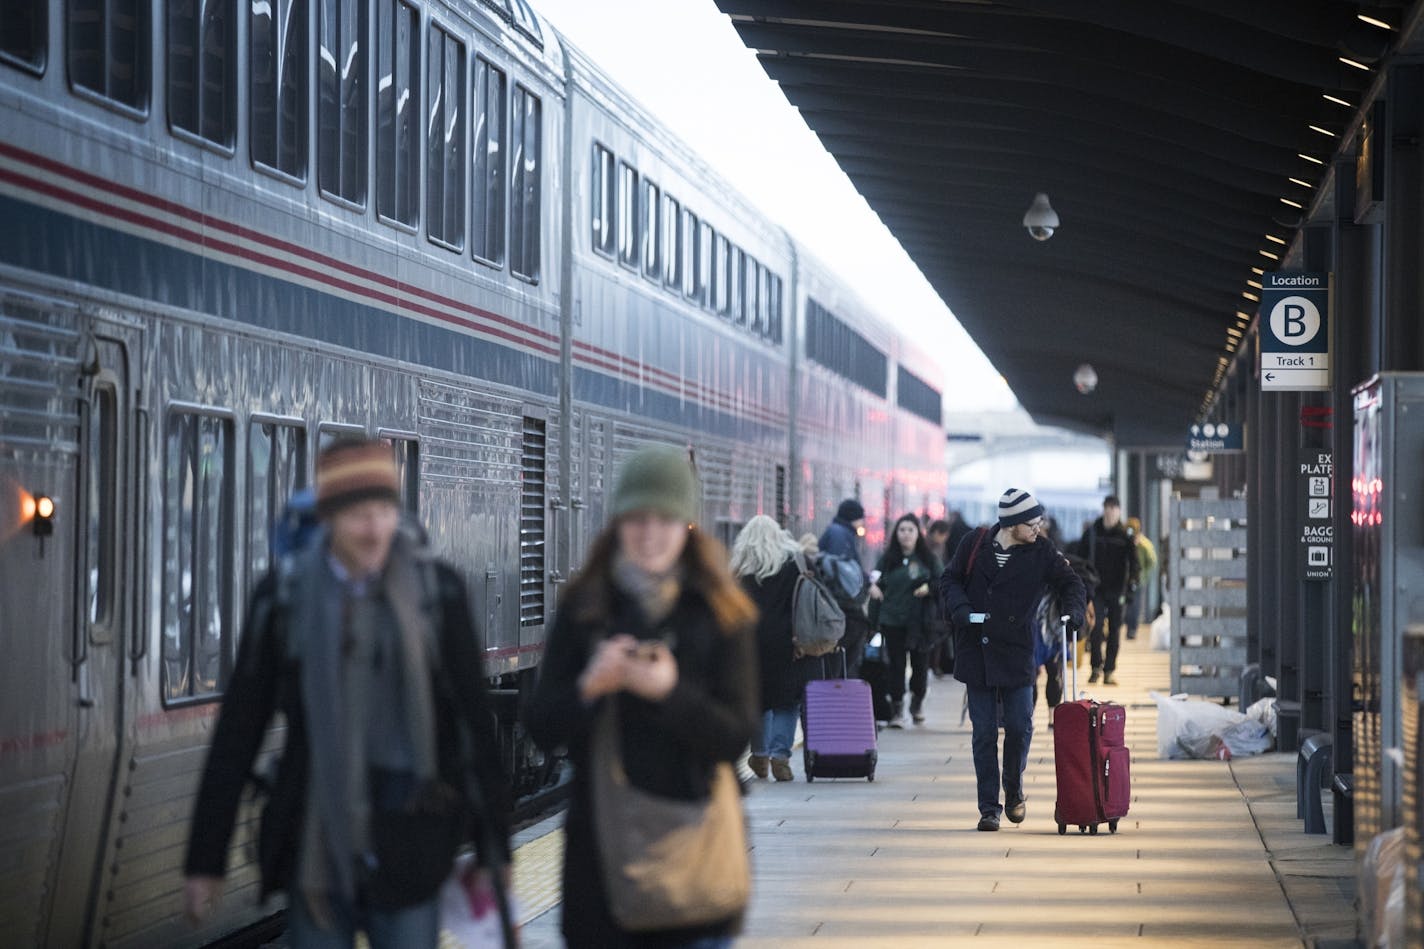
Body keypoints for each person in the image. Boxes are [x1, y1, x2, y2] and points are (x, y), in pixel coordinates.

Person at [183, 438, 511, 949]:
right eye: (359, 514)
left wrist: (496, 847)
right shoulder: (284, 601)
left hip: (412, 844)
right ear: (331, 516)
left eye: (384, 510)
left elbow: (473, 723)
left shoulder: (437, 594)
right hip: (314, 843)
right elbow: (239, 730)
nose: (376, 528)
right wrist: (205, 859)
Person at [526, 444, 759, 949]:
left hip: (696, 867)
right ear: (617, 523)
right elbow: (541, 725)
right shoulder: (586, 608)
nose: (649, 533)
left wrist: (670, 693)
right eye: (636, 519)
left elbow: (735, 736)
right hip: (603, 872)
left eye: (665, 519)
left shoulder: (721, 613)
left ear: (687, 526)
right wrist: (591, 685)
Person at [941, 488, 1086, 832]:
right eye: (1032, 523)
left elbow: (1071, 583)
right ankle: (989, 808)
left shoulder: (1042, 551)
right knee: (985, 733)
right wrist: (961, 609)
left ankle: (1014, 788)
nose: (1038, 528)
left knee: (1020, 726)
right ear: (1012, 523)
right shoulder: (973, 544)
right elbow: (949, 579)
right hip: (977, 648)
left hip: (1018, 649)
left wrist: (1073, 612)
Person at [730, 515, 808, 781]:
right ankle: (781, 756)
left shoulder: (740, 567)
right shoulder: (793, 563)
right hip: (788, 640)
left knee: (757, 699)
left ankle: (760, 755)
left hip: (748, 641)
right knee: (787, 701)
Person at [869, 514, 943, 727]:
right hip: (892, 621)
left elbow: (943, 581)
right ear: (896, 533)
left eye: (910, 530)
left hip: (920, 622)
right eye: (902, 530)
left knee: (920, 665)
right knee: (896, 666)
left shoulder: (928, 559)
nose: (906, 534)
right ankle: (897, 709)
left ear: (917, 533)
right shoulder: (887, 559)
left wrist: (929, 588)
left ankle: (917, 702)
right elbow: (874, 581)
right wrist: (872, 589)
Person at [1079, 495, 1140, 684]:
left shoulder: (1125, 534)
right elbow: (1081, 559)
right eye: (1107, 507)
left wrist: (1131, 587)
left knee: (1114, 630)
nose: (1110, 511)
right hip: (1096, 589)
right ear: (1103, 509)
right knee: (1095, 628)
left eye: (1114, 508)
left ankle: (1109, 670)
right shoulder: (1092, 533)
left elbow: (1135, 563)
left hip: (1117, 590)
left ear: (1119, 511)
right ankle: (1095, 667)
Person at [818, 498, 877, 673]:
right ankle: (842, 685)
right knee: (851, 641)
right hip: (841, 603)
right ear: (853, 517)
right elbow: (843, 570)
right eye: (861, 518)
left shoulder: (839, 532)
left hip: (838, 602)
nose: (862, 523)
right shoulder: (840, 534)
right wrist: (865, 584)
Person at [1122, 516, 1159, 640]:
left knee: (1135, 605)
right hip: (1124, 579)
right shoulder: (1125, 541)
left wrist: (1143, 576)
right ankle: (1127, 626)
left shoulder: (1144, 544)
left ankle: (1132, 629)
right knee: (1125, 604)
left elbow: (1152, 561)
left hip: (1137, 579)